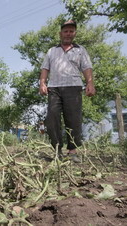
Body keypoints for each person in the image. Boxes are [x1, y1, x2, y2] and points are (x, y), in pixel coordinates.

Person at [39, 20, 96, 163]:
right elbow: (45, 68)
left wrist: (90, 83)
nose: (68, 34)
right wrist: (42, 83)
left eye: (71, 31)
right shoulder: (52, 51)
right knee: (52, 119)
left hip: (74, 87)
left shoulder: (80, 50)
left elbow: (87, 67)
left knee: (74, 120)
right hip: (54, 88)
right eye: (66, 31)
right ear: (60, 33)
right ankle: (57, 150)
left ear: (74, 33)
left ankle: (72, 151)